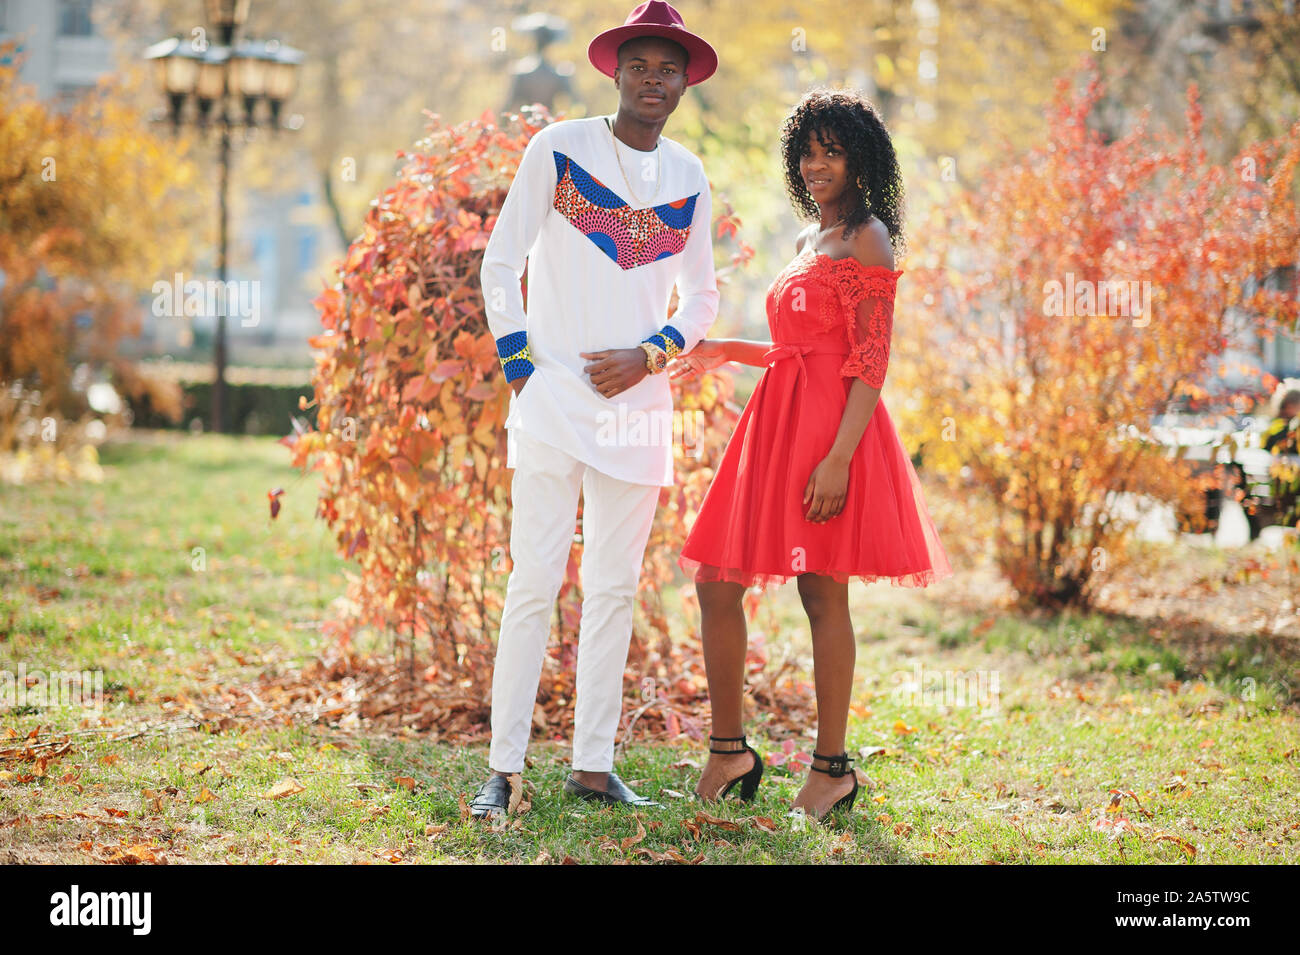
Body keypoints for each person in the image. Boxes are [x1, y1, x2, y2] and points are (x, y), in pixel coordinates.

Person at [671, 88, 953, 821]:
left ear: (860, 158)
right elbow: (796, 347)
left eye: (833, 150)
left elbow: (870, 357)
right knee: (716, 581)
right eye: (809, 150)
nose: (818, 163)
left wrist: (839, 459)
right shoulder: (806, 240)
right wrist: (722, 351)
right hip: (775, 424)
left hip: (832, 435)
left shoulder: (869, 236)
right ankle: (730, 750)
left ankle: (831, 770)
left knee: (822, 592)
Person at [471, 1, 720, 818]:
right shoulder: (559, 149)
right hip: (550, 403)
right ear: (616, 71)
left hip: (639, 409)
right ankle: (503, 770)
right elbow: (502, 263)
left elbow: (705, 295)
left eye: (669, 68)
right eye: (640, 66)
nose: (654, 79)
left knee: (613, 590)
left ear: (686, 82)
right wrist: (521, 370)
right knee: (534, 583)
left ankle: (591, 765)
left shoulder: (689, 175)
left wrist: (651, 352)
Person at [1263, 387, 1300, 530]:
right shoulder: (1289, 432)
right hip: (1289, 493)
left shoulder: (1272, 430)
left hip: (1274, 495)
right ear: (1292, 406)